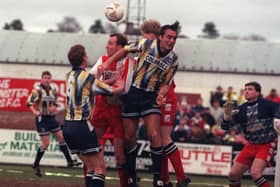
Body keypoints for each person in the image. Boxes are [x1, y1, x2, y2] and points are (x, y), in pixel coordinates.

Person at [62, 44, 124, 187]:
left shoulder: (69, 76)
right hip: (82, 126)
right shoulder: (88, 78)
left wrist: (103, 78)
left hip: (68, 127)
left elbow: (89, 87)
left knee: (90, 167)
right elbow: (113, 91)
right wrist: (120, 81)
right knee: (100, 168)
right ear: (84, 58)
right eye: (86, 54)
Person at [140, 19, 191, 187]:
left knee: (163, 137)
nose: (143, 39)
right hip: (153, 98)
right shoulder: (148, 50)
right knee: (157, 140)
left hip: (166, 97)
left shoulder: (166, 54)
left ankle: (181, 178)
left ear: (155, 36)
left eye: (146, 36)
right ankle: (163, 179)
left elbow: (165, 82)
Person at [89, 33, 131, 187]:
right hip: (100, 108)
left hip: (118, 111)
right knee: (92, 149)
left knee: (120, 154)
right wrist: (111, 83)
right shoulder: (102, 60)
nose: (107, 46)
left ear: (120, 47)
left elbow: (124, 88)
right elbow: (91, 82)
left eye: (111, 43)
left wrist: (102, 84)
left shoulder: (128, 62)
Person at [221, 81, 279, 187]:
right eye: (245, 89)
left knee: (255, 173)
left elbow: (278, 109)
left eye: (250, 89)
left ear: (257, 93)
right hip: (251, 145)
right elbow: (224, 127)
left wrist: (277, 118)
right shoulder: (240, 109)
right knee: (233, 174)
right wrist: (226, 117)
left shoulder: (267, 104)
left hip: (266, 144)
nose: (246, 91)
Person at [26, 70, 80, 177]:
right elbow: (29, 103)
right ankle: (36, 164)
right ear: (41, 79)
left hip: (51, 118)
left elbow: (55, 103)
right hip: (42, 119)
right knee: (46, 144)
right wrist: (35, 111)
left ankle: (69, 161)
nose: (46, 80)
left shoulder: (53, 90)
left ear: (50, 79)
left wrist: (54, 107)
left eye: (48, 78)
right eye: (45, 78)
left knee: (61, 138)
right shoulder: (37, 90)